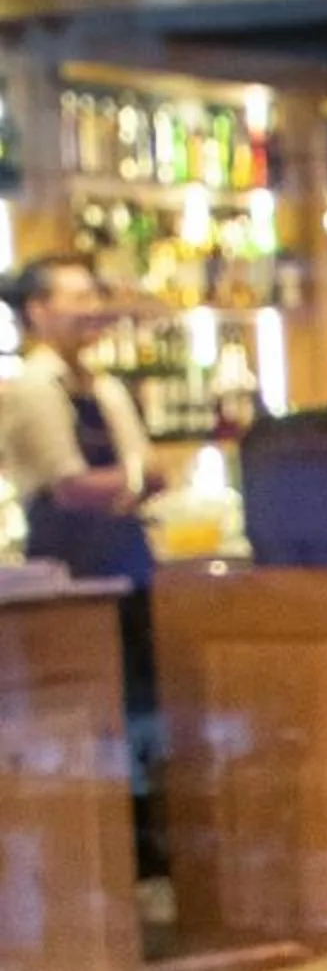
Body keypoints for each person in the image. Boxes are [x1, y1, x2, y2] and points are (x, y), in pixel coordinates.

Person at [2, 254, 167, 869]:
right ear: (37, 312)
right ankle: (109, 847)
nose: (92, 309)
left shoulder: (106, 387)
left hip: (129, 559)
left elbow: (144, 473)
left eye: (94, 295)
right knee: (97, 713)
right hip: (70, 566)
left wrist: (124, 481)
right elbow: (68, 485)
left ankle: (143, 843)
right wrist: (128, 480)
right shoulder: (27, 388)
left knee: (143, 708)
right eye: (75, 297)